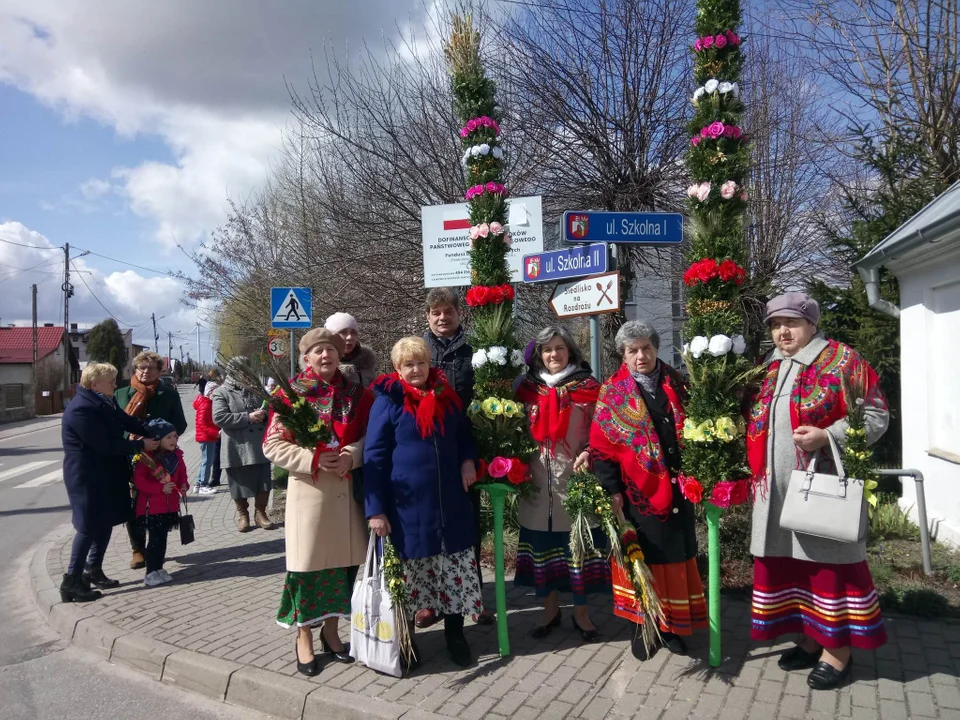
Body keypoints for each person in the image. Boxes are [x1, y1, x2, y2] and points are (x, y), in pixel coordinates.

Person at [747, 292, 889, 691]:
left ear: (811, 323)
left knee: (827, 567)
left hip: (821, 488)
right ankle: (810, 639)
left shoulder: (843, 361)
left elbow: (877, 413)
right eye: (775, 325)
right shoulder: (768, 367)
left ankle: (838, 651)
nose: (782, 332)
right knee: (792, 566)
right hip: (773, 491)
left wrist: (829, 434)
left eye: (790, 322)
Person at [589, 320, 706, 659]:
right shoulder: (612, 393)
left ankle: (669, 628)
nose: (641, 356)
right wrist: (611, 490)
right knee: (641, 560)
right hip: (637, 494)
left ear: (655, 349)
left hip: (679, 490)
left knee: (674, 559)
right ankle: (641, 628)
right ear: (623, 356)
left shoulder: (678, 384)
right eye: (632, 351)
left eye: (646, 348)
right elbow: (601, 449)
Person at [364, 337, 480, 668]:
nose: (416, 369)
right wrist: (375, 509)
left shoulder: (447, 397)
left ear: (430, 364)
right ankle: (407, 642)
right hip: (408, 510)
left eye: (421, 363)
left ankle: (456, 636)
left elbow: (464, 438)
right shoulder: (388, 402)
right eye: (408, 364)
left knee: (454, 574)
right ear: (398, 369)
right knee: (412, 580)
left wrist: (469, 460)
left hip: (451, 505)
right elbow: (374, 458)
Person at [262, 328, 373, 677]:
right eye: (318, 351)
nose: (326, 356)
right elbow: (273, 445)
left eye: (332, 350)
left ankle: (332, 632)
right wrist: (312, 457)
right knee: (308, 571)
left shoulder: (357, 394)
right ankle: (304, 637)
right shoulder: (291, 394)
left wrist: (352, 455)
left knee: (343, 570)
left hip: (347, 496)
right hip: (311, 497)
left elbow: (374, 436)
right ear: (306, 357)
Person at [515, 326, 608, 642]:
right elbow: (514, 432)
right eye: (547, 350)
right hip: (537, 484)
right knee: (543, 552)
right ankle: (550, 610)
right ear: (539, 355)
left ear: (570, 351)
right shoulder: (527, 390)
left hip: (575, 481)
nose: (553, 355)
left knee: (577, 550)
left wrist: (589, 453)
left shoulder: (588, 388)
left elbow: (603, 431)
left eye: (559, 348)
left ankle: (581, 614)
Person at [420, 287, 491, 628]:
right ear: (428, 316)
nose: (442, 317)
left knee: (467, 525)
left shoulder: (474, 351)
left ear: (458, 314)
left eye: (448, 311)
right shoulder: (419, 351)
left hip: (465, 449)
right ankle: (431, 600)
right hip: (427, 451)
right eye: (436, 312)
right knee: (431, 526)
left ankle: (472, 597)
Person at [60, 363, 160, 602]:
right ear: (95, 384)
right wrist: (140, 445)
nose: (116, 385)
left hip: (106, 473)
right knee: (87, 526)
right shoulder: (81, 409)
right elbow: (105, 445)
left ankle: (93, 569)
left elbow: (126, 421)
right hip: (87, 476)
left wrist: (152, 429)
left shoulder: (105, 401)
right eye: (111, 381)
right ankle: (72, 581)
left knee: (104, 522)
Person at [116, 350, 188, 570]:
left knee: (158, 502)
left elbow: (181, 423)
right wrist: (129, 438)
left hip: (160, 457)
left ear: (159, 371)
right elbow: (114, 427)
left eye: (151, 368)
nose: (146, 372)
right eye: (141, 368)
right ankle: (137, 549)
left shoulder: (168, 394)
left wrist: (164, 439)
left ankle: (155, 545)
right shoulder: (121, 394)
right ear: (135, 369)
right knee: (134, 501)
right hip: (129, 456)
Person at [212, 359, 274, 532]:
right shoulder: (222, 392)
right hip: (236, 445)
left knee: (263, 480)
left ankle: (261, 513)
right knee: (238, 482)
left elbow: (270, 409)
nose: (245, 374)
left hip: (258, 443)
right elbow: (219, 418)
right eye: (241, 371)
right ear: (232, 372)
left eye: (247, 370)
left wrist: (265, 415)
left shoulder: (257, 390)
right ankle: (243, 515)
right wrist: (247, 417)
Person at [133, 419, 189, 587]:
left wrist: (184, 485)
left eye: (175, 436)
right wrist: (160, 488)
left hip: (169, 506)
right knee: (155, 540)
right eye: (168, 437)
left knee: (162, 539)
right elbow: (140, 482)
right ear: (157, 440)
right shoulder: (146, 459)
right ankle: (150, 572)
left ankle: (159, 568)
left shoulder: (176, 456)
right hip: (152, 507)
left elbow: (182, 475)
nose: (173, 440)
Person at [325, 312, 378, 388]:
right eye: (343, 332)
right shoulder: (321, 365)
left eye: (353, 332)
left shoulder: (366, 363)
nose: (350, 337)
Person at [193, 380, 220, 495]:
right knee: (207, 462)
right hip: (207, 437)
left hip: (207, 437)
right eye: (216, 392)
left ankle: (198, 484)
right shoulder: (206, 404)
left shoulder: (207, 403)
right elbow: (203, 424)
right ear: (210, 392)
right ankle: (203, 484)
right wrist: (216, 433)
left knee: (206, 461)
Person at [207, 369, 223, 488]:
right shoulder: (207, 404)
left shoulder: (221, 398)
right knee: (216, 456)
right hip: (214, 433)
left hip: (223, 429)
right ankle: (215, 478)